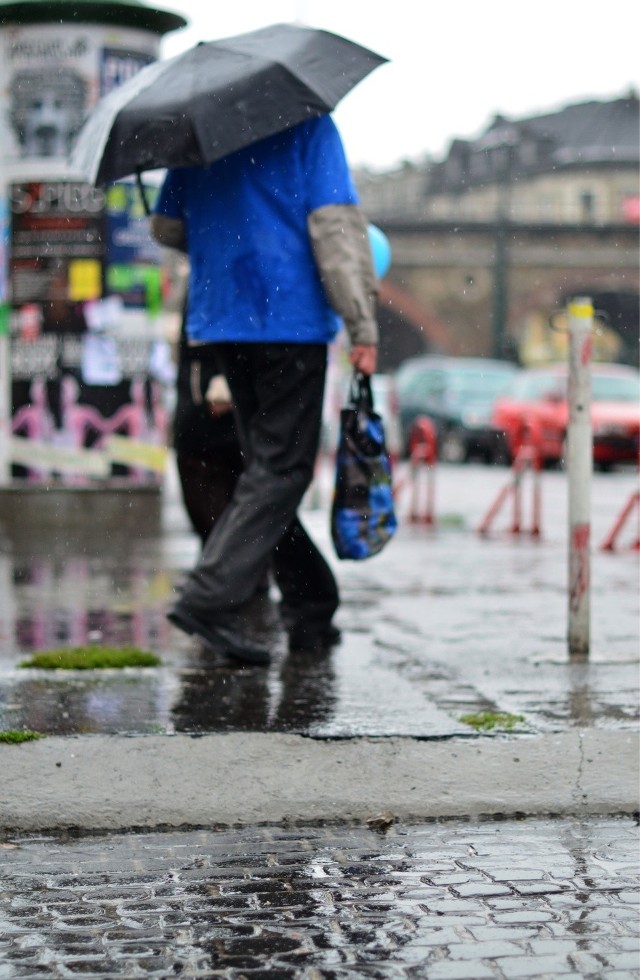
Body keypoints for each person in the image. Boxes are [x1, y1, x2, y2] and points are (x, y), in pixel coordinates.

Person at [151, 113, 378, 666]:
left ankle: (310, 600)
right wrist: (362, 322)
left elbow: (166, 227)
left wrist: (225, 231)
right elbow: (334, 227)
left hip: (221, 317)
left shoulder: (200, 132)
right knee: (283, 469)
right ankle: (209, 598)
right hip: (289, 317)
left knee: (266, 470)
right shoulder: (308, 127)